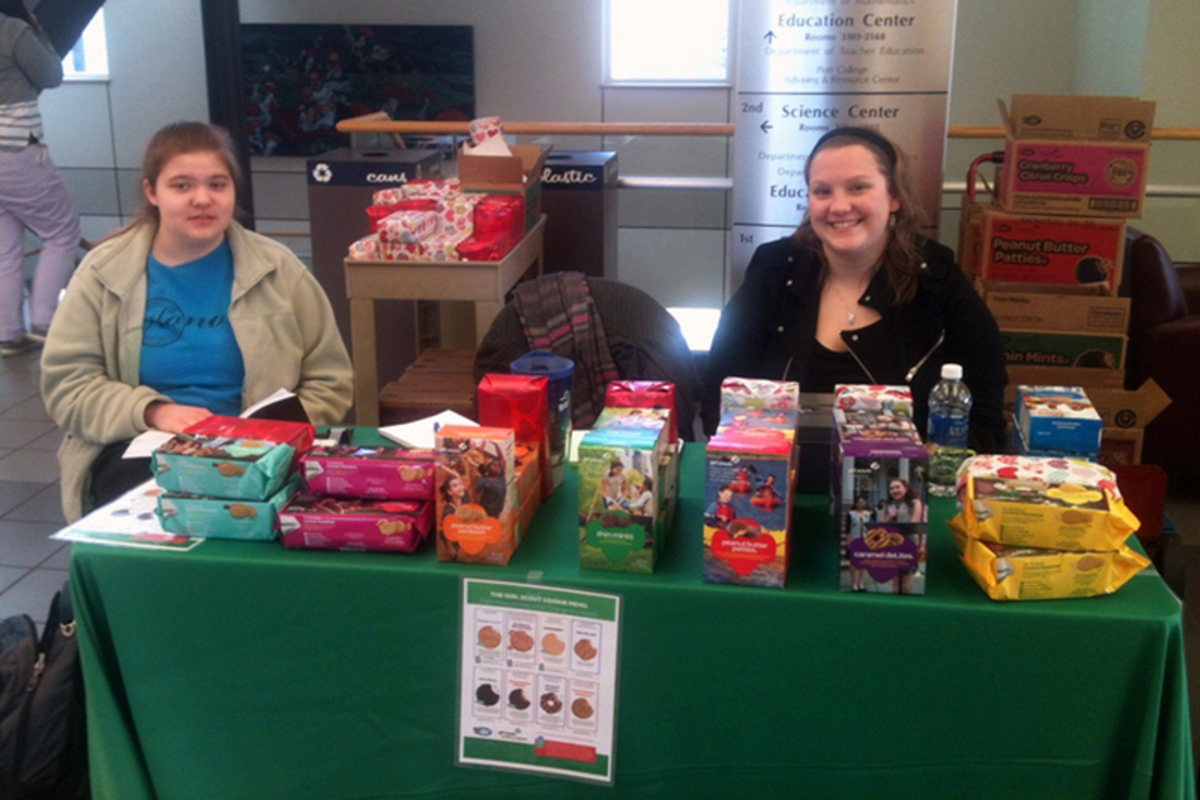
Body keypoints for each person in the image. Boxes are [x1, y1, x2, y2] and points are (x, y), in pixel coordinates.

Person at [41, 121, 353, 521]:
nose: (202, 199)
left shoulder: (278, 270)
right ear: (152, 192)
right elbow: (67, 386)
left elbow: (331, 380)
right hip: (141, 450)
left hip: (264, 454)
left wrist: (270, 436)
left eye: (218, 185)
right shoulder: (103, 273)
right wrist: (152, 411)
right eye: (182, 186)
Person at [703, 127, 1007, 452]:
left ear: (894, 197)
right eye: (822, 191)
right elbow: (717, 395)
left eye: (858, 187)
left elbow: (986, 416)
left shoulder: (937, 276)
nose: (839, 206)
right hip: (778, 484)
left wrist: (936, 461)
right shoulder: (773, 269)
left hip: (903, 492)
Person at [0, 0, 81, 356]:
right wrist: (37, 29)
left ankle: (8, 332)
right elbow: (52, 76)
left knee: (4, 248)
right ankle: (46, 321)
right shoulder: (11, 29)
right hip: (15, 145)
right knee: (62, 231)